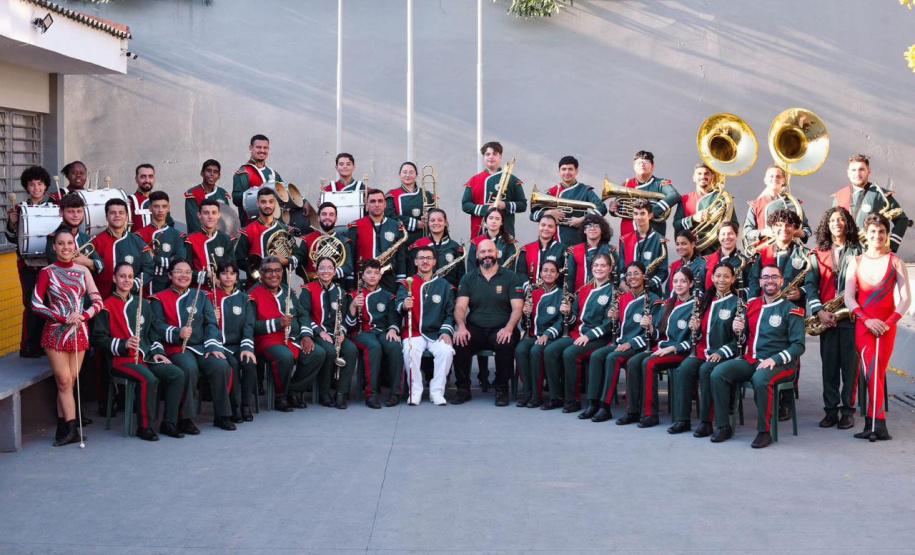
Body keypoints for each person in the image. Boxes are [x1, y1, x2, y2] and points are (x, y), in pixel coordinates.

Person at [709, 264, 806, 448]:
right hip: (752, 359)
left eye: (774, 277)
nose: (770, 281)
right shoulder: (751, 305)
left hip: (781, 364)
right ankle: (723, 426)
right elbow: (743, 339)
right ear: (760, 281)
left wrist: (775, 359)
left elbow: (798, 346)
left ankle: (765, 431)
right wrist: (738, 331)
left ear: (781, 281)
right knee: (718, 373)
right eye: (766, 277)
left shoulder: (792, 310)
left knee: (761, 379)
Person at [92, 262, 186, 440]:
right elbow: (99, 339)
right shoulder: (106, 306)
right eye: (122, 276)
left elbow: (152, 333)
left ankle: (169, 422)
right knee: (147, 378)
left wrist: (159, 352)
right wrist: (123, 344)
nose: (127, 280)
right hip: (121, 360)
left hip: (147, 357)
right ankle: (144, 427)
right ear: (114, 278)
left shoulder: (142, 302)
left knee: (177, 374)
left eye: (130, 276)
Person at [31, 229, 103, 446]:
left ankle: (63, 428)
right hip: (55, 332)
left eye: (69, 243)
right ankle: (72, 430)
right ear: (54, 247)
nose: (65, 247)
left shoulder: (83, 271)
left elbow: (98, 301)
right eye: (60, 244)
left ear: (74, 246)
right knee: (63, 380)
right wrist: (62, 318)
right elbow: (36, 304)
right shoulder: (47, 272)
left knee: (70, 381)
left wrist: (83, 315)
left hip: (79, 331)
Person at [149, 259, 236, 434]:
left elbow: (211, 323)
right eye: (179, 271)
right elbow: (156, 325)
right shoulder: (159, 298)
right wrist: (177, 332)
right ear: (170, 274)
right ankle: (184, 418)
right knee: (189, 368)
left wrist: (213, 346)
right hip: (175, 347)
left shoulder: (201, 296)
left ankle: (222, 415)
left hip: (201, 347)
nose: (184, 276)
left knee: (221, 365)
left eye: (188, 272)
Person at [845, 214, 911, 441]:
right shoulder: (856, 262)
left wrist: (888, 322)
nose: (877, 236)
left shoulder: (896, 262)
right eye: (873, 231)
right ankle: (878, 423)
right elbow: (849, 298)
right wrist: (867, 320)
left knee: (878, 373)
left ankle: (874, 424)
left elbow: (905, 299)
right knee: (871, 371)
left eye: (881, 231)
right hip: (865, 327)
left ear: (886, 234)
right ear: (866, 234)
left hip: (887, 327)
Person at [804, 207, 863, 430]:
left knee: (850, 367)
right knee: (829, 368)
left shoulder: (859, 250)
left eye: (841, 219)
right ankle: (830, 411)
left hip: (850, 318)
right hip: (826, 317)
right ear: (826, 226)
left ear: (847, 223)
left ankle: (848, 411)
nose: (836, 223)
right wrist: (820, 312)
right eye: (832, 220)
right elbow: (810, 286)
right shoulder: (818, 253)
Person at [583, 262, 663, 424]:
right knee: (597, 355)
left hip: (639, 345)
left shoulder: (654, 300)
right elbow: (620, 327)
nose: (632, 277)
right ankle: (593, 402)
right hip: (621, 343)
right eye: (629, 274)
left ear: (644, 276)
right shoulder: (623, 298)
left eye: (636, 273)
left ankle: (605, 407)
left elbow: (654, 334)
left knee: (613, 358)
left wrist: (631, 344)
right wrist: (613, 319)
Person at [669, 263, 740, 436]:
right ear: (713, 278)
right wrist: (695, 327)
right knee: (684, 369)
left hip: (724, 354)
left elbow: (739, 340)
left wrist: (721, 352)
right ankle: (682, 419)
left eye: (726, 276)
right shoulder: (707, 300)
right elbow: (703, 334)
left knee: (706, 370)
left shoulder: (737, 302)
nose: (721, 280)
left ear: (733, 278)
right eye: (718, 276)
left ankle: (707, 421)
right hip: (703, 351)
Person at [452, 238, 525, 406]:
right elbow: (460, 307)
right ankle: (463, 389)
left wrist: (508, 328)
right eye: (483, 252)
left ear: (497, 253)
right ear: (477, 255)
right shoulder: (468, 278)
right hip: (475, 328)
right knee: (460, 342)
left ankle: (501, 389)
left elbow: (517, 308)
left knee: (505, 343)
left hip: (502, 327)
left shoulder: (511, 277)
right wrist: (461, 327)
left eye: (490, 251)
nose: (487, 255)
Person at [248, 256, 325, 412]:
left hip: (293, 338)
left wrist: (306, 335)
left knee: (317, 353)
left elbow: (303, 314)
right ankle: (280, 395)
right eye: (268, 271)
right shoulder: (252, 294)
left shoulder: (287, 291)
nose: (274, 274)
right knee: (285, 357)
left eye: (277, 270)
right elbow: (250, 326)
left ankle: (293, 389)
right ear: (261, 274)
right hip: (266, 340)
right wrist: (278, 323)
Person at [622, 267, 696, 428]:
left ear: (690, 284)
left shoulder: (696, 305)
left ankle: (650, 414)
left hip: (681, 352)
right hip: (662, 349)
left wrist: (672, 348)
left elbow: (694, 340)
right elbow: (658, 335)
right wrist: (649, 328)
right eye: (675, 281)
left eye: (683, 281)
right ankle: (632, 411)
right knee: (634, 361)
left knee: (649, 363)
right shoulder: (668, 303)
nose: (679, 285)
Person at [541, 253, 615, 412]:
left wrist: (588, 336)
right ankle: (556, 396)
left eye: (603, 265)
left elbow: (609, 324)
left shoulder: (613, 291)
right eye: (596, 265)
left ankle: (572, 400)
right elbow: (574, 318)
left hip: (599, 338)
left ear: (609, 269)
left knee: (570, 353)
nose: (599, 268)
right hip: (578, 334)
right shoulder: (585, 289)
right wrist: (567, 313)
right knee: (550, 350)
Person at [6, 166, 56, 358]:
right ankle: (29, 345)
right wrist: (12, 224)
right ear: (27, 187)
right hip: (28, 264)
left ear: (45, 186)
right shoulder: (19, 208)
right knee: (31, 303)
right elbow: (11, 238)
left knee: (51, 302)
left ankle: (48, 343)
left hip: (50, 263)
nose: (36, 188)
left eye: (39, 184)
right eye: (32, 184)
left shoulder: (54, 205)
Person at [395, 247, 456, 406]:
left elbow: (450, 313)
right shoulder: (407, 283)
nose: (425, 261)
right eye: (421, 258)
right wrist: (404, 305)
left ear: (434, 262)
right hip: (414, 332)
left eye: (428, 258)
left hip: (436, 332)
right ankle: (415, 391)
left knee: (447, 350)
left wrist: (446, 331)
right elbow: (398, 304)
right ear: (415, 261)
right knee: (410, 350)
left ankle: (437, 392)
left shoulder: (444, 285)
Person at [301, 256, 359, 409]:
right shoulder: (308, 289)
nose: (325, 271)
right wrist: (320, 332)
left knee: (352, 350)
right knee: (330, 352)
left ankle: (341, 393)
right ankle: (324, 392)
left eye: (329, 268)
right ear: (317, 270)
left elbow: (347, 318)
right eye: (322, 268)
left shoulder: (342, 292)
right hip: (317, 333)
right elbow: (304, 315)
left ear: (334, 272)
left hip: (337, 334)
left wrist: (342, 333)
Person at [347, 259, 404, 408]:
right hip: (362, 332)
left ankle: (395, 394)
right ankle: (371, 395)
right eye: (368, 272)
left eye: (376, 273)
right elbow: (349, 326)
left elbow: (393, 318)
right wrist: (353, 306)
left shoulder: (388, 296)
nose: (372, 276)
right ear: (362, 276)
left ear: (380, 276)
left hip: (383, 331)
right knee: (374, 347)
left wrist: (393, 329)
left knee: (395, 346)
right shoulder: (354, 295)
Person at [209, 260, 256, 422]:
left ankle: (245, 405)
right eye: (223, 273)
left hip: (239, 345)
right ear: (217, 276)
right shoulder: (210, 296)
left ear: (237, 277)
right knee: (233, 366)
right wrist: (211, 316)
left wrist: (247, 348)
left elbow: (248, 325)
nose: (228, 277)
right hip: (220, 346)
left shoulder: (244, 298)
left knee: (249, 362)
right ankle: (234, 406)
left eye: (232, 273)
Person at [832, 154, 909, 253]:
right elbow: (832, 226)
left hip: (872, 253)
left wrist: (891, 245)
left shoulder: (881, 194)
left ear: (869, 171)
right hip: (845, 253)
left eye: (861, 169)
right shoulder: (839, 196)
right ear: (848, 173)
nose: (857, 173)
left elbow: (902, 220)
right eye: (854, 170)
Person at [517, 260, 563, 408]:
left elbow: (562, 321)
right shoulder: (534, 293)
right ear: (540, 273)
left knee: (536, 351)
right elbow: (526, 325)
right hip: (533, 335)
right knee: (520, 349)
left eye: (552, 271)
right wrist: (526, 314)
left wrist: (548, 334)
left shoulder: (562, 294)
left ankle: (536, 395)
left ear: (557, 275)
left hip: (552, 337)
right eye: (545, 270)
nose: (548, 274)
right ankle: (527, 391)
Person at [529, 155, 606, 246]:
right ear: (559, 172)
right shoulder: (552, 191)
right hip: (553, 242)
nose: (567, 172)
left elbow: (602, 208)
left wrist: (584, 219)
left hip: (577, 240)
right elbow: (532, 215)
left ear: (576, 171)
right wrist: (549, 212)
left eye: (570, 169)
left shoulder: (585, 190)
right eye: (564, 169)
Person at [235, 187, 302, 287]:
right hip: (257, 286)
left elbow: (299, 256)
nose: (267, 205)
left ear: (275, 203)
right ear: (257, 203)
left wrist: (286, 261)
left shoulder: (285, 229)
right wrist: (257, 267)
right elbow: (239, 260)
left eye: (271, 202)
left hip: (281, 285)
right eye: (263, 202)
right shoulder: (247, 231)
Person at [90, 198, 155, 300]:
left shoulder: (137, 242)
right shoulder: (96, 242)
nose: (117, 216)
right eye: (112, 213)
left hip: (130, 300)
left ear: (126, 217)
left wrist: (134, 284)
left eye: (121, 213)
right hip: (103, 300)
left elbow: (149, 269)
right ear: (106, 217)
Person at [607, 150, 680, 237]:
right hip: (628, 233)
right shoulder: (626, 185)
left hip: (653, 233)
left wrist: (653, 210)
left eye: (646, 162)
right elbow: (619, 209)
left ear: (653, 166)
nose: (642, 164)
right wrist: (613, 208)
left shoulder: (661, 183)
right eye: (639, 162)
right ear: (634, 166)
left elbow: (675, 195)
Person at [347, 189, 407, 293]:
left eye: (380, 201)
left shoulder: (396, 226)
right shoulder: (355, 226)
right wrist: (350, 284)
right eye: (372, 201)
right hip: (362, 279)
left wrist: (401, 282)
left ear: (385, 204)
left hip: (389, 279)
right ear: (367, 204)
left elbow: (401, 258)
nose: (377, 204)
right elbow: (350, 257)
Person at [461, 141, 526, 237]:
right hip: (480, 232)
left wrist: (504, 205)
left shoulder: (512, 180)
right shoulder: (474, 180)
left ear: (500, 156)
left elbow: (522, 205)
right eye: (487, 154)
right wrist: (486, 209)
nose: (491, 157)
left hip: (505, 233)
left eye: (495, 154)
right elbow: (465, 205)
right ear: (483, 157)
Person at [673, 163, 737, 255]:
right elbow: (677, 225)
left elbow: (734, 224)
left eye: (706, 173)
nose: (703, 176)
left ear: (712, 177)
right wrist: (694, 218)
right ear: (694, 178)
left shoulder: (723, 198)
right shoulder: (685, 199)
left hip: (719, 250)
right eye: (699, 174)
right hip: (694, 253)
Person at [743, 165, 811, 247]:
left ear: (784, 180)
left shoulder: (794, 203)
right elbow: (747, 232)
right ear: (765, 180)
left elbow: (807, 230)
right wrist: (764, 232)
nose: (775, 179)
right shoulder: (755, 205)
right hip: (764, 253)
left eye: (778, 176)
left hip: (790, 253)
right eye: (771, 176)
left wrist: (800, 233)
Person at [135, 191, 186, 294]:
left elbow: (179, 262)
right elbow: (140, 263)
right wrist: (168, 260)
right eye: (156, 206)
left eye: (164, 206)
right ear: (150, 208)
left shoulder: (178, 235)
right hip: (146, 286)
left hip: (170, 285)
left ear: (169, 208)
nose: (160, 210)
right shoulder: (139, 235)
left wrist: (154, 259)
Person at [617, 199, 668, 295]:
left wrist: (649, 285)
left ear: (650, 216)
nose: (638, 217)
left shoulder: (660, 240)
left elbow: (663, 272)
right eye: (635, 214)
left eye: (642, 213)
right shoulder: (625, 239)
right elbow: (621, 267)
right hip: (629, 292)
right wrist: (623, 282)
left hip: (651, 293)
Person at [45, 193, 103, 274]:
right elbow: (58, 268)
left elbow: (101, 266)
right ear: (61, 212)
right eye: (70, 212)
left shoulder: (86, 238)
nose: (76, 215)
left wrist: (88, 262)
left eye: (79, 211)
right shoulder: (53, 238)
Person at [185, 198, 238, 288]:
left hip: (223, 291)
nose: (210, 216)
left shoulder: (226, 239)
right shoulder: (190, 239)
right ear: (199, 215)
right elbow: (186, 271)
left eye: (214, 213)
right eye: (206, 213)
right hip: (200, 291)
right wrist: (207, 276)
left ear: (218, 215)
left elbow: (233, 268)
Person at [405, 208, 465, 287]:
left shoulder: (455, 247)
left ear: (445, 223)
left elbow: (461, 277)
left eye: (440, 220)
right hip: (423, 292)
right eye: (432, 220)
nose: (436, 223)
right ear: (428, 223)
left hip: (449, 293)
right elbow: (411, 274)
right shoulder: (417, 245)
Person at [232, 134, 283, 224]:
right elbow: (236, 199)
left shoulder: (273, 173)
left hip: (273, 226)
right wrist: (256, 192)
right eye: (258, 147)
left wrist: (304, 202)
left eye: (265, 148)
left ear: (268, 149)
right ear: (251, 148)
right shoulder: (244, 172)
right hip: (251, 227)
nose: (262, 151)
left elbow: (285, 193)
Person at [297, 202, 353, 282]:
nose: (327, 217)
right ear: (318, 218)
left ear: (336, 219)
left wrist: (329, 273)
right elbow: (299, 266)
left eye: (331, 215)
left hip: (336, 287)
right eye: (324, 214)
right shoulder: (307, 239)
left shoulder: (344, 241)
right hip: (313, 287)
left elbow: (348, 267)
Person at [385, 162, 436, 247]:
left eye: (411, 172)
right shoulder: (392, 194)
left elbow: (436, 214)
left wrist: (429, 217)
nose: (407, 175)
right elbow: (389, 216)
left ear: (416, 175)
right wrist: (414, 223)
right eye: (404, 172)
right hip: (401, 240)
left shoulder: (427, 194)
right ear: (399, 175)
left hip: (424, 238)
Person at [566, 213, 616, 293]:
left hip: (604, 296)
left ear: (602, 229)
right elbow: (570, 278)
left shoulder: (611, 250)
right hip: (579, 296)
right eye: (588, 226)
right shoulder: (574, 250)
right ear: (584, 230)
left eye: (596, 226)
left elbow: (615, 277)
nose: (592, 228)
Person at [516, 214, 566, 288]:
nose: (546, 228)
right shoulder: (526, 249)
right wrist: (528, 287)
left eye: (550, 226)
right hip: (529, 294)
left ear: (555, 229)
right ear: (538, 225)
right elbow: (520, 273)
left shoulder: (563, 249)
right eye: (543, 225)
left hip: (554, 295)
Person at [184, 159, 232, 235]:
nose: (212, 174)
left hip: (219, 238)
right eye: (209, 171)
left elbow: (227, 219)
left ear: (219, 176)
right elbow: (192, 222)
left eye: (215, 172)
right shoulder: (193, 193)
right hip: (198, 238)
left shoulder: (222, 193)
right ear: (202, 173)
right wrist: (208, 236)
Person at [702, 221, 748, 292]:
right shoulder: (708, 260)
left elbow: (752, 288)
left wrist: (738, 292)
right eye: (723, 234)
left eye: (730, 234)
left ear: (737, 236)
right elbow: (700, 287)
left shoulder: (745, 261)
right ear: (718, 237)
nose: (726, 237)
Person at [467, 208, 518, 272]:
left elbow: (511, 270)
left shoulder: (509, 242)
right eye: (491, 218)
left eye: (497, 219)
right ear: (485, 221)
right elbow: (471, 269)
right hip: (480, 280)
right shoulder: (476, 242)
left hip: (503, 280)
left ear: (501, 222)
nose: (493, 221)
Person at [129, 164, 174, 231]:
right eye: (143, 177)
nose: (147, 180)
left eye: (150, 176)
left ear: (154, 179)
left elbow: (169, 225)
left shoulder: (161, 200)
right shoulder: (129, 201)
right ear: (136, 179)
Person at [668, 230, 706, 299]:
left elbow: (701, 292)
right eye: (677, 244)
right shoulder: (675, 265)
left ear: (693, 244)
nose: (680, 247)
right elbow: (669, 291)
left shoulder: (702, 265)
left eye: (684, 244)